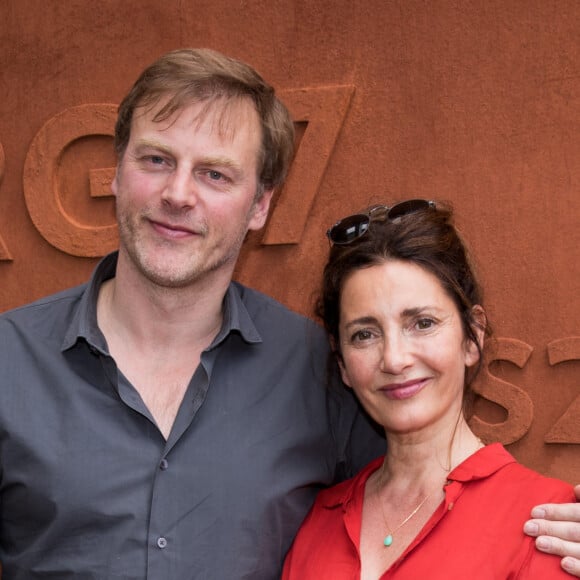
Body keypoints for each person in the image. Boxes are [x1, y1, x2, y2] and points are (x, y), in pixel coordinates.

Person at [0, 49, 577, 579]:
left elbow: (434, 489)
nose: (178, 193)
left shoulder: (312, 368)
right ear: (117, 172)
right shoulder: (9, 361)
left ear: (260, 205)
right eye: (156, 159)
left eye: (214, 173)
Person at [281, 199, 578, 579]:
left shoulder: (546, 522)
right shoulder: (318, 522)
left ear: (473, 337)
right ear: (342, 364)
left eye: (422, 323)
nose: (394, 359)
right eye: (365, 334)